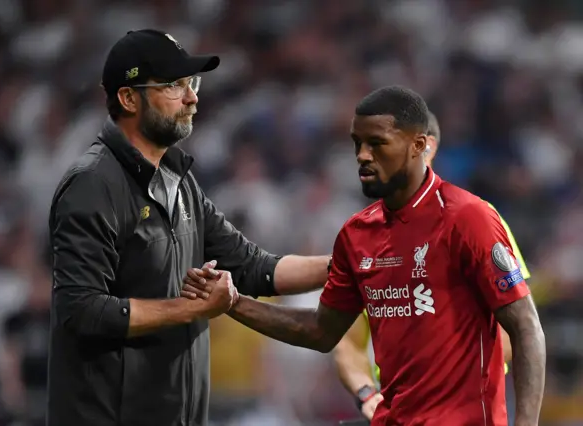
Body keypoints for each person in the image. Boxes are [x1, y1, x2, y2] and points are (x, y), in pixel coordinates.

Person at [198, 86, 546, 426]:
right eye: (357, 144)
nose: (363, 155)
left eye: (377, 143)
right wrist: (232, 302)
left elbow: (525, 327)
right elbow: (321, 331)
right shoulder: (357, 234)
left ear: (418, 146)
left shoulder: (469, 218)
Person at [46, 29, 330, 426]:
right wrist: (189, 309)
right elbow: (80, 310)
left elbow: (254, 268)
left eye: (191, 83)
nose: (193, 96)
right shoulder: (94, 183)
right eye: (173, 85)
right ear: (128, 98)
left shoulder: (179, 181)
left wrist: (351, 264)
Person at [332, 110, 532, 421]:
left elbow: (516, 330)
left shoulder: (475, 220)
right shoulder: (367, 237)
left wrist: (439, 384)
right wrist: (366, 394)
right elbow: (347, 342)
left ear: (427, 147)